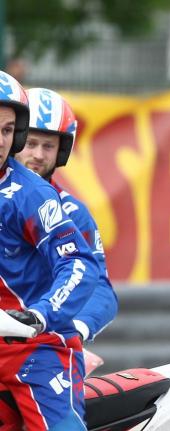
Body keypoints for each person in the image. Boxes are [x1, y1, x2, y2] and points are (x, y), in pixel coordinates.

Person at [0, 70, 147, 431]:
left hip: (40, 349)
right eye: (29, 142)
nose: (34, 152)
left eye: (43, 143)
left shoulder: (49, 204)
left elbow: (92, 279)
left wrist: (54, 323)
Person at [17, 87, 117, 342]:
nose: (38, 155)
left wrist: (76, 330)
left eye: (48, 146)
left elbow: (100, 289)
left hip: (37, 344)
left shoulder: (72, 212)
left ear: (62, 151)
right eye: (31, 143)